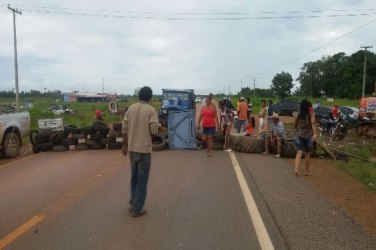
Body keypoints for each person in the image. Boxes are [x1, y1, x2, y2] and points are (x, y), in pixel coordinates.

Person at [122, 86, 159, 217]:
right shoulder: (151, 110)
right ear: (150, 97)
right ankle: (137, 208)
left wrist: (125, 146)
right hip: (144, 150)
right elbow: (154, 131)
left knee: (134, 177)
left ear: (139, 96)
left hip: (132, 149)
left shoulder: (131, 108)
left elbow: (124, 128)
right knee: (142, 179)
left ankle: (133, 202)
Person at [294, 99, 317, 177]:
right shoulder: (311, 113)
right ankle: (307, 171)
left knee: (299, 152)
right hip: (308, 135)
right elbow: (313, 123)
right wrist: (315, 133)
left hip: (299, 134)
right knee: (307, 154)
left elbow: (295, 123)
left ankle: (296, 169)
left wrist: (297, 128)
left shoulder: (299, 113)